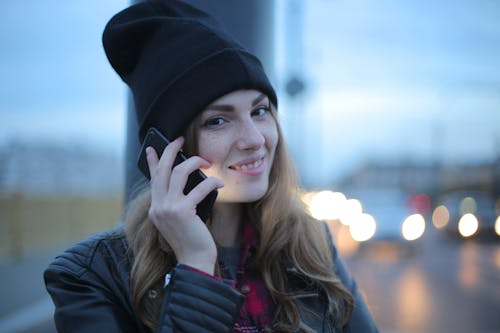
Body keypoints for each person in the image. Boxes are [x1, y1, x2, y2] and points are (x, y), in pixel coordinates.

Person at [44, 1, 379, 332]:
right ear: (166, 151)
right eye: (218, 120)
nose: (254, 139)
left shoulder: (309, 242)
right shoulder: (90, 276)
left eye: (260, 111)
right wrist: (196, 267)